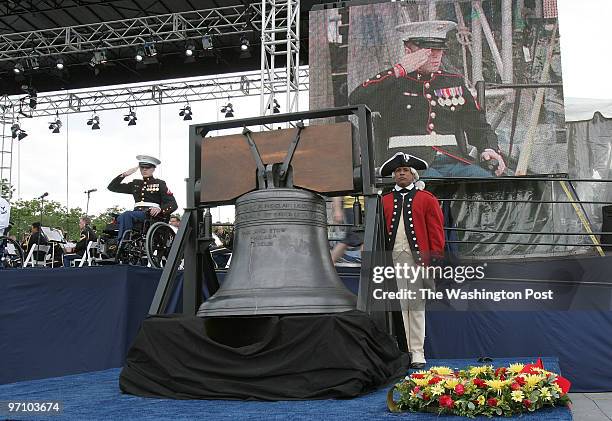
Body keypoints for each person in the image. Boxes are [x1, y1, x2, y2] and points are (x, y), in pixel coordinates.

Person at [349, 20, 506, 178]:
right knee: (431, 185)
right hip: (407, 163)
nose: (436, 55)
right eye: (427, 50)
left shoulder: (453, 82)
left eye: (439, 49)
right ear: (408, 51)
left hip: (454, 161)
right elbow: (356, 101)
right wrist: (397, 70)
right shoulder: (393, 84)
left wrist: (489, 148)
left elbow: (478, 125)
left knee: (484, 182)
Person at [380, 152, 445, 369]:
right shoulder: (384, 201)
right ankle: (403, 351)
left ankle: (417, 351)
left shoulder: (427, 199)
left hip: (418, 263)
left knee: (416, 307)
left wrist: (434, 261)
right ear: (393, 175)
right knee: (399, 308)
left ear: (413, 174)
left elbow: (436, 232)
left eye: (405, 170)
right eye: (398, 171)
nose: (401, 173)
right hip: (393, 263)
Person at [108, 155, 178, 241]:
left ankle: (123, 242)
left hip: (150, 215)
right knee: (117, 218)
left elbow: (173, 204)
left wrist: (160, 209)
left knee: (126, 215)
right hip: (135, 214)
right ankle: (113, 246)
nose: (144, 170)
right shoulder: (136, 184)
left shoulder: (160, 183)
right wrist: (124, 175)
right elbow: (112, 187)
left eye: (147, 167)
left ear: (153, 169)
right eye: (142, 167)